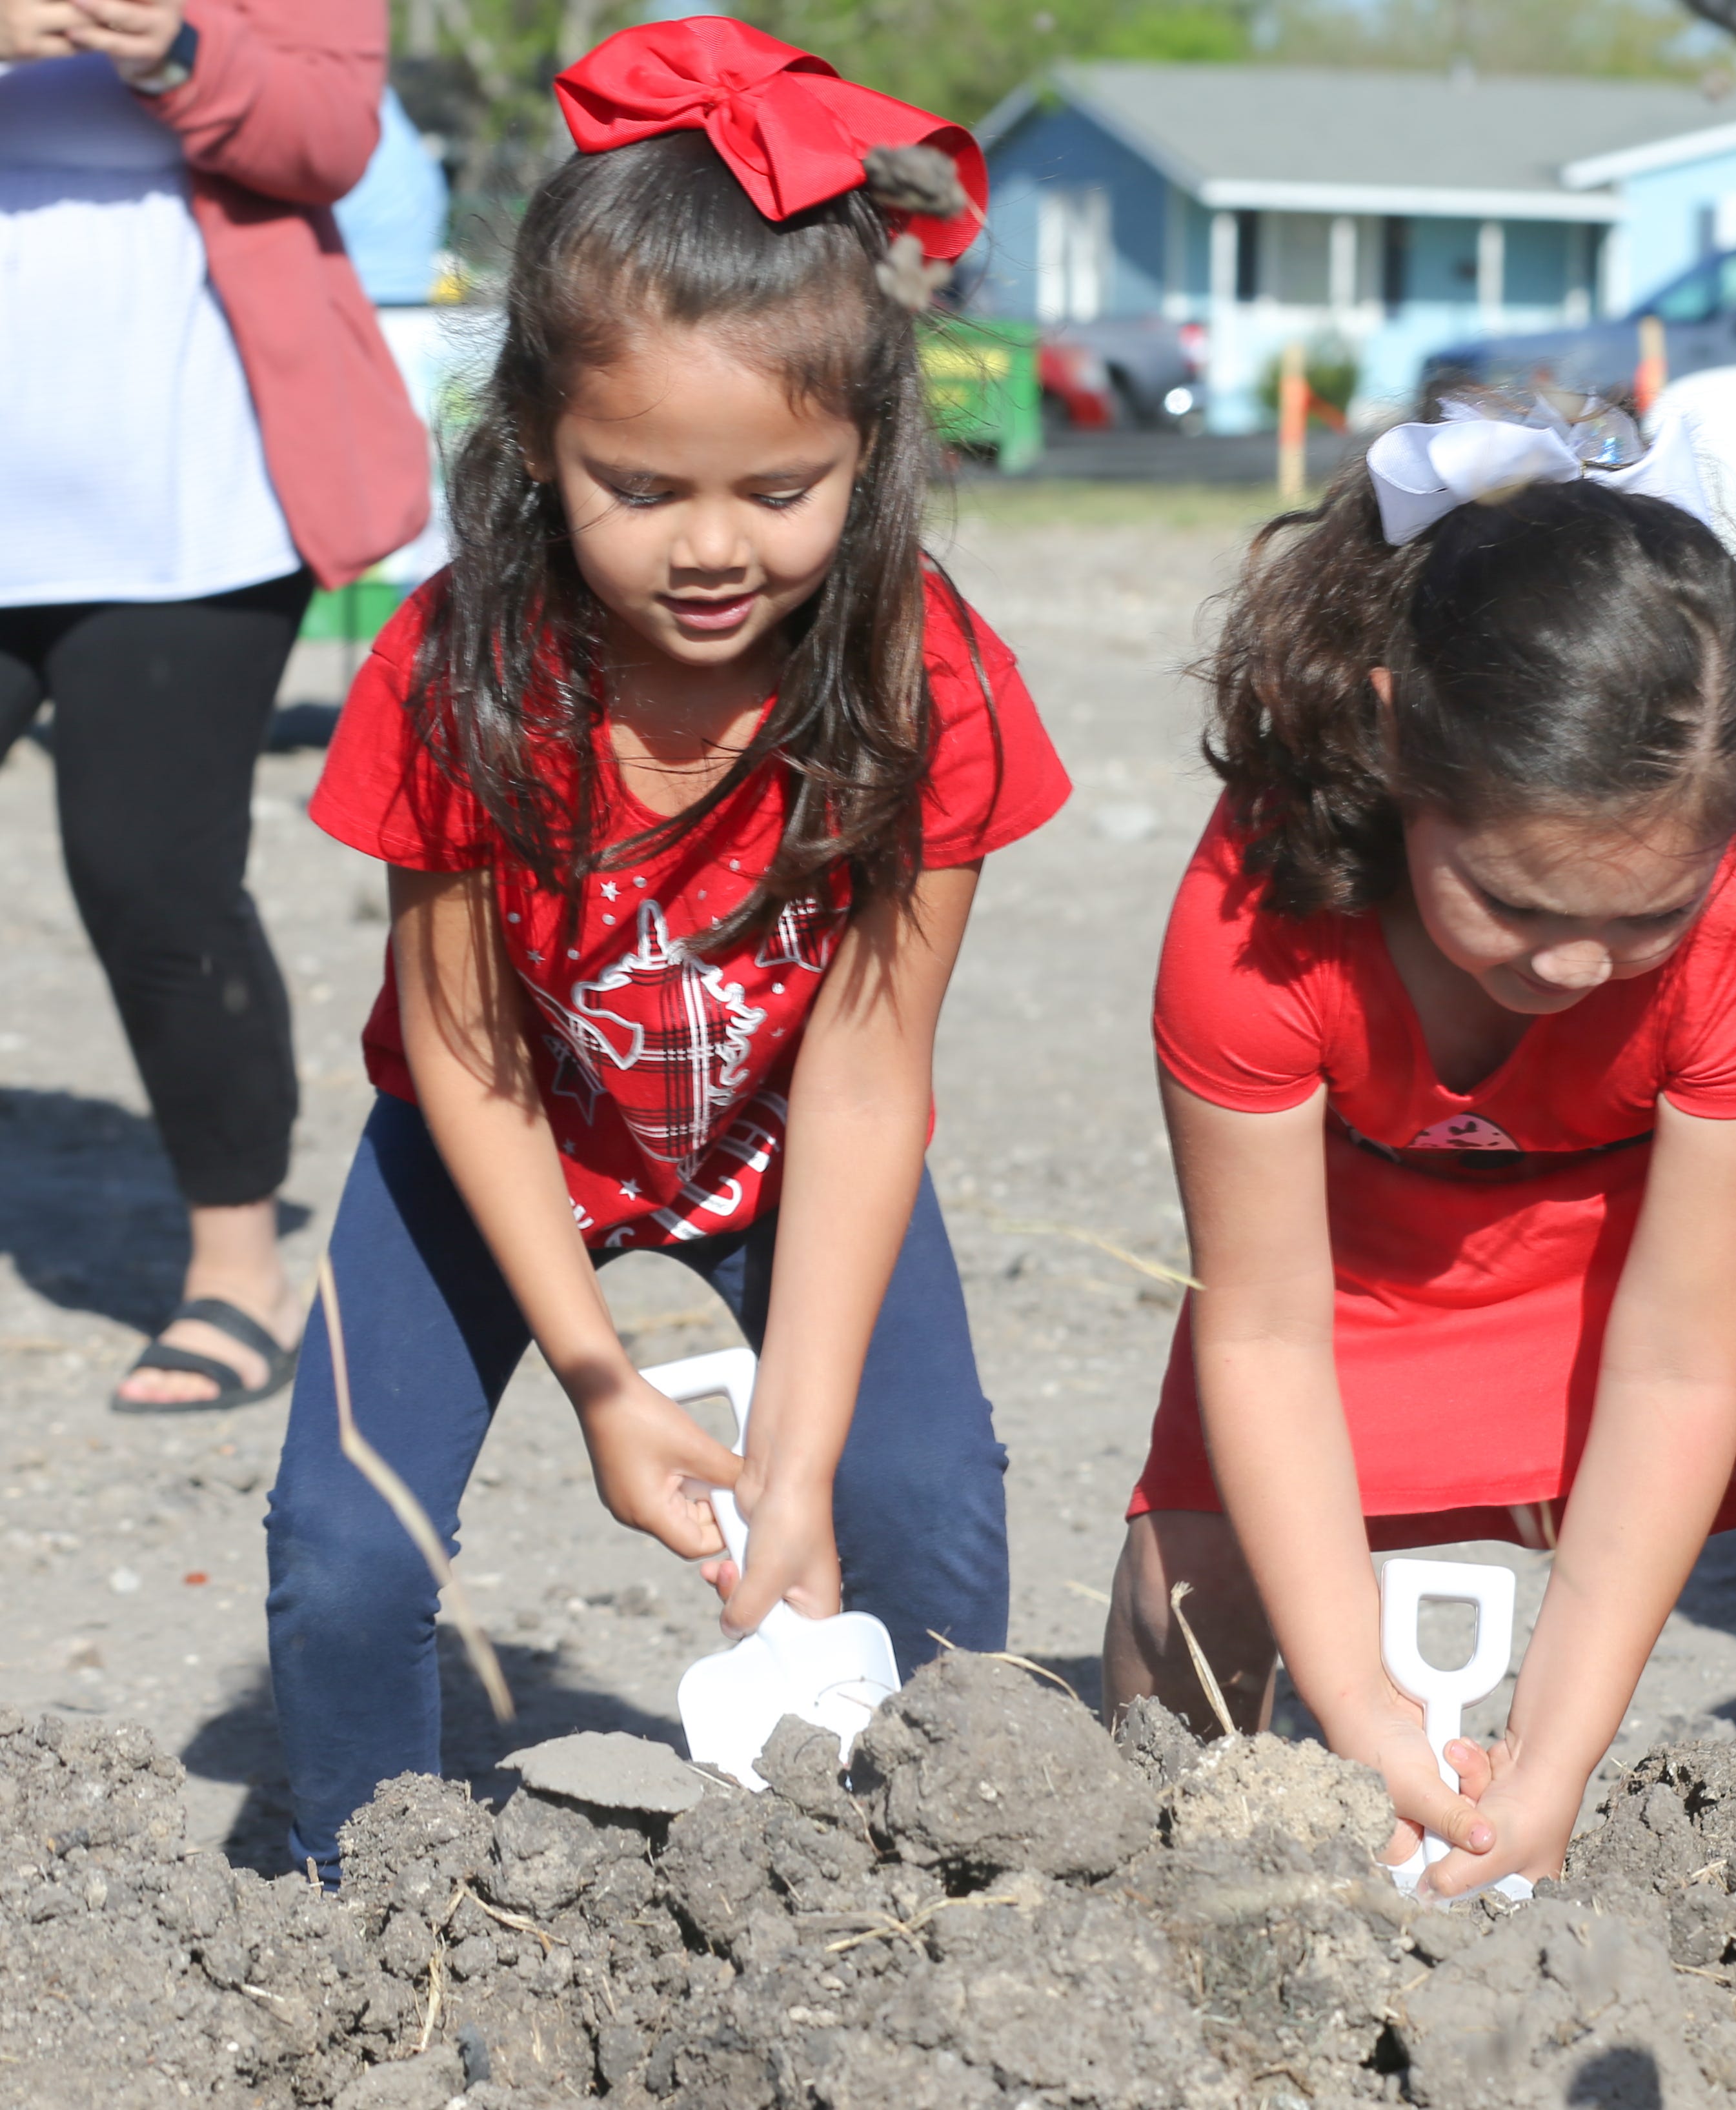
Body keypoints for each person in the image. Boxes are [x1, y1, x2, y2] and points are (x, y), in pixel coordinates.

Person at [271, 20, 1062, 1876]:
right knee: (342, 1557)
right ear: (538, 445)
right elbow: (464, 1053)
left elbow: (865, 1074)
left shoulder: (926, 679)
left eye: (779, 492)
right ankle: (348, 1913)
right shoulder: (454, 671)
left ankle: (941, 1895)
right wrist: (602, 1377)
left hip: (788, 1142)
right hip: (492, 1141)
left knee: (923, 1513)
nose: (712, 550)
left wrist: (798, 1458)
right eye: (640, 488)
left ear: (869, 453)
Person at [1106, 401, 1736, 1894]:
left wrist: (1556, 1745)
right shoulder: (1256, 913)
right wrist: (1360, 1706)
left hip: (1712, 1141)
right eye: (1515, 905)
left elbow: (1677, 1361)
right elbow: (1263, 1332)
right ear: (1396, 739)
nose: (1575, 967)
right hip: (1401, 1180)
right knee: (1184, 1586)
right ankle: (1180, 1863)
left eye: (1642, 917)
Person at [0, 0, 428, 1411]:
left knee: (151, 875)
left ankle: (237, 1270)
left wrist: (177, 50)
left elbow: (331, 137)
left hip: (189, 501)